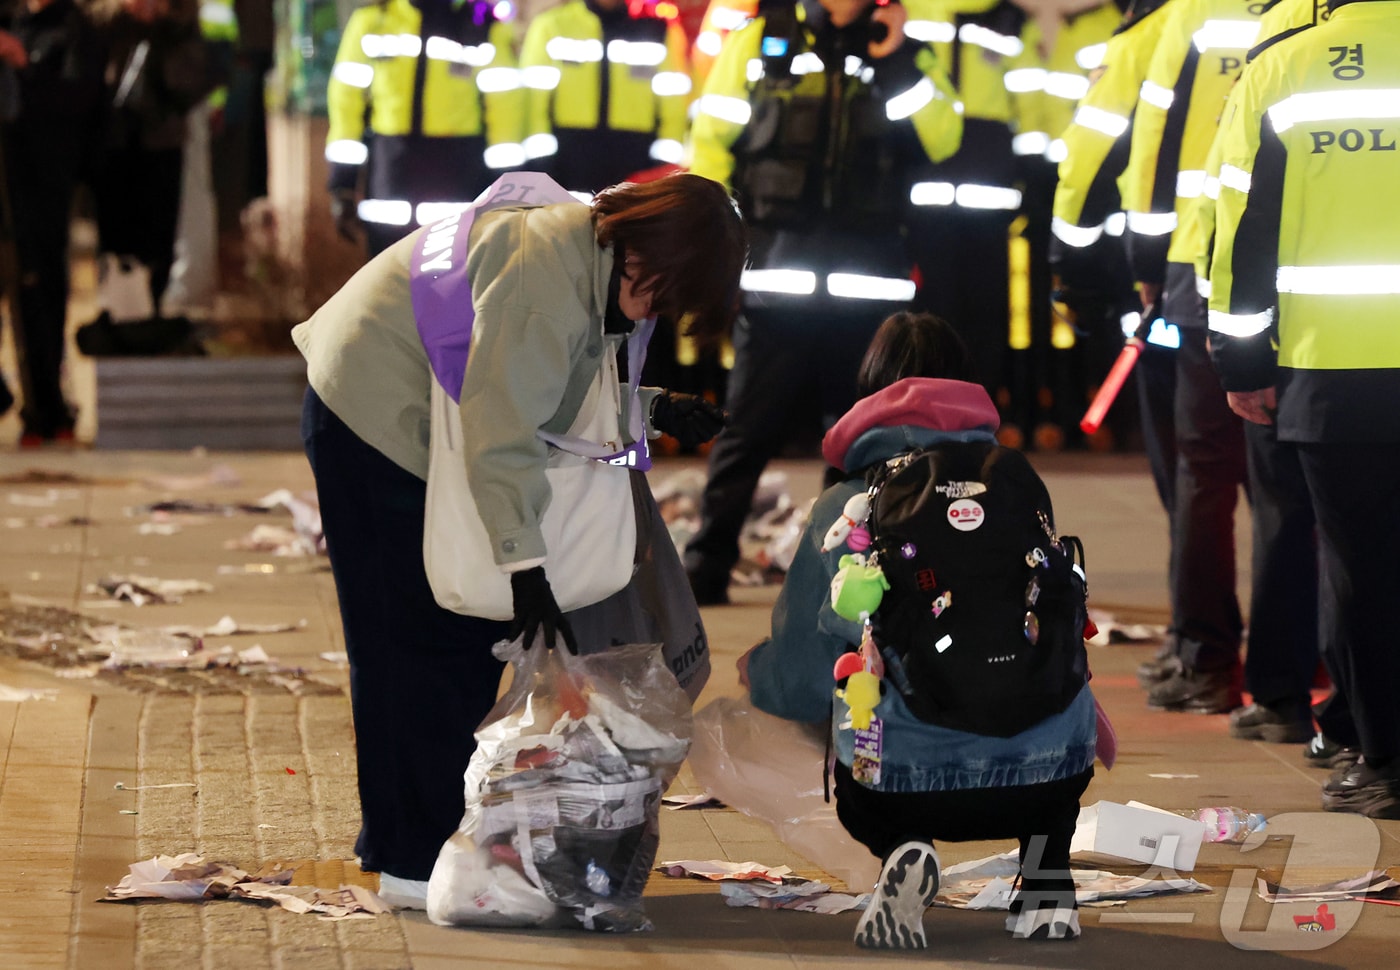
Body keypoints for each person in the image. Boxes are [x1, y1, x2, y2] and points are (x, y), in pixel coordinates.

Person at [293, 173, 747, 905]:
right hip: (374, 418)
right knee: (412, 640)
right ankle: (411, 861)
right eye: (663, 296)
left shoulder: (591, 258)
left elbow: (550, 388)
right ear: (646, 254)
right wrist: (526, 568)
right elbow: (501, 434)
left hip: (432, 416)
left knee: (462, 638)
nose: (658, 315)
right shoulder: (544, 279)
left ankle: (424, 840)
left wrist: (654, 408)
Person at [739, 311, 1097, 945]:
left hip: (909, 784)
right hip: (1051, 770)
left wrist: (758, 673)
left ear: (871, 392)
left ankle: (905, 847)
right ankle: (1046, 882)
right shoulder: (1016, 482)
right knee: (1046, 711)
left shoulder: (846, 505)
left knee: (858, 720)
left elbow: (799, 679)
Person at [683, 0, 965, 605]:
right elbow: (710, 144)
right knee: (745, 432)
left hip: (868, 292)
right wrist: (713, 242)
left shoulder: (903, 50)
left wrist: (897, 62)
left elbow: (943, 138)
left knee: (862, 441)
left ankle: (853, 571)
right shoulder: (761, 41)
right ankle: (706, 565)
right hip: (776, 283)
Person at [1205, 0, 1400, 818]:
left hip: (1332, 366)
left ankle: (1386, 759)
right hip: (1333, 365)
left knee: (1362, 569)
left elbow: (1243, 224)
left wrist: (1243, 359)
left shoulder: (1284, 65)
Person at [325, 0, 524, 256]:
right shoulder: (371, 24)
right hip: (388, 196)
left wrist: (505, 190)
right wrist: (342, 185)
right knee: (388, 278)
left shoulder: (482, 26)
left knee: (449, 279)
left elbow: (506, 111)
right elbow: (346, 105)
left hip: (454, 193)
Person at [0, 0, 109, 446]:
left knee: (39, 294)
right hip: (7, 179)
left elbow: (79, 98)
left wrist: (22, 64)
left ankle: (46, 411)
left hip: (43, 183)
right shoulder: (9, 19)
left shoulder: (76, 28)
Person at [518, 0, 692, 195]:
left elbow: (674, 103)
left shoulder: (657, 30)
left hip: (637, 158)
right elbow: (533, 101)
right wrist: (541, 161)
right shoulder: (552, 26)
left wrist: (664, 164)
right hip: (567, 157)